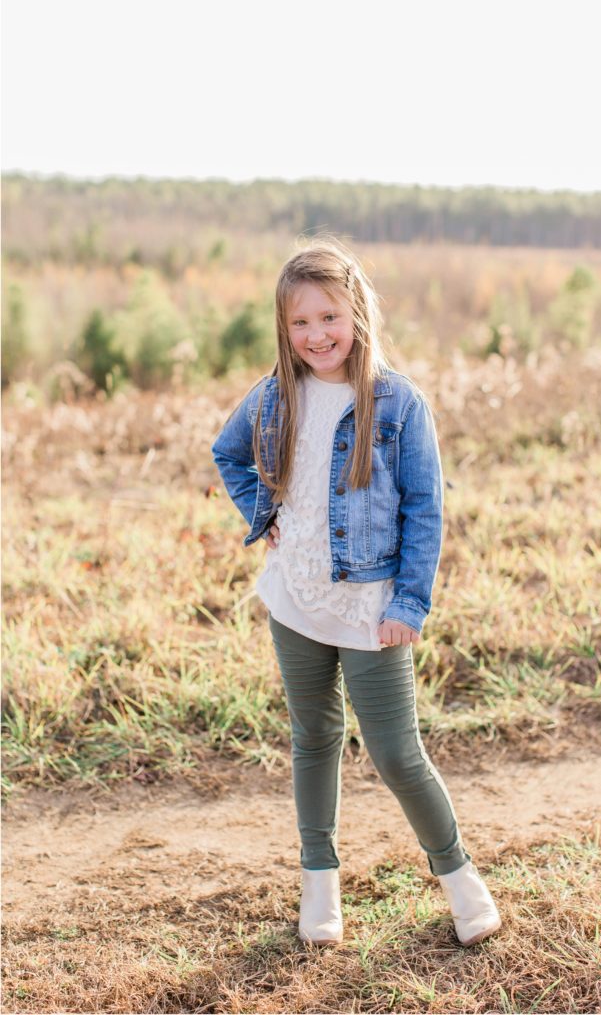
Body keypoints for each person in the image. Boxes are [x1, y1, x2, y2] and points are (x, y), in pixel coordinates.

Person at [211, 236, 502, 949]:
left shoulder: (398, 402)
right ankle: (319, 886)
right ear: (285, 328)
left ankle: (461, 879)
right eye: (300, 323)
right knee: (313, 738)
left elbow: (424, 508)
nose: (316, 336)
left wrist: (409, 603)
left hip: (371, 607)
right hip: (295, 597)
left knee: (397, 754)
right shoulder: (277, 394)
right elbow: (227, 452)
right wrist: (264, 517)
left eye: (328, 318)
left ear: (357, 313)